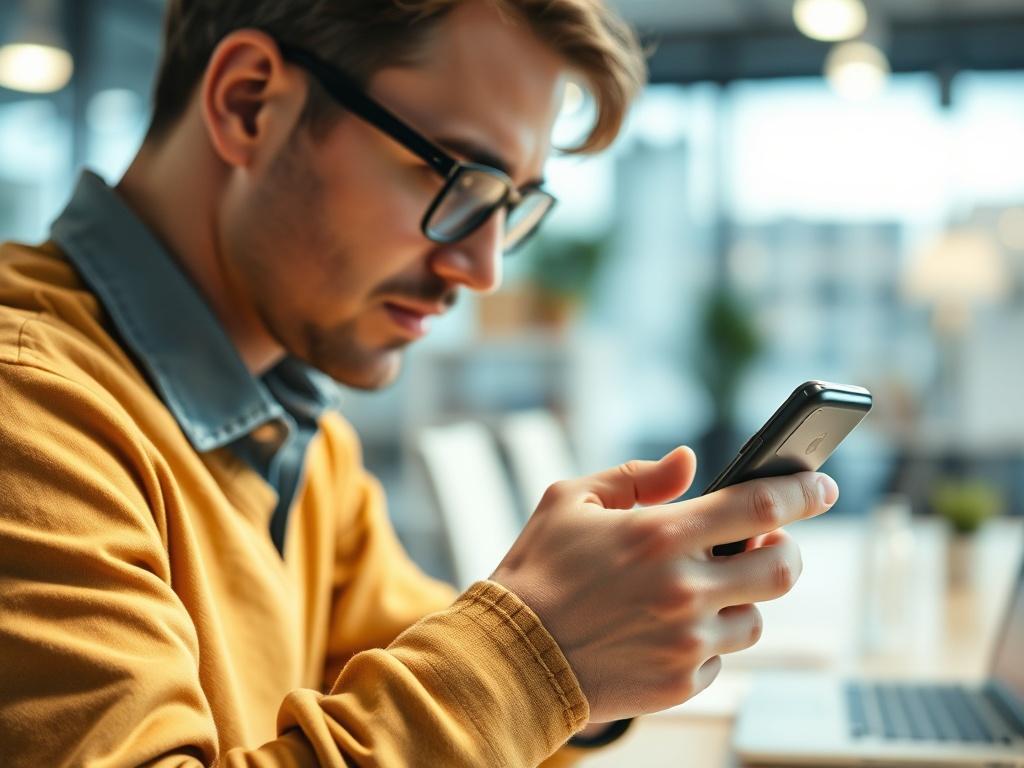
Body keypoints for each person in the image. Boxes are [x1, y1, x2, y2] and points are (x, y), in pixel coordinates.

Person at [0, 0, 840, 765]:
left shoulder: (296, 433)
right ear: (249, 103)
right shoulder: (28, 410)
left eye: (511, 205)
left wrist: (593, 661)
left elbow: (422, 692)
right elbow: (480, 690)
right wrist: (536, 662)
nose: (481, 269)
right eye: (457, 180)